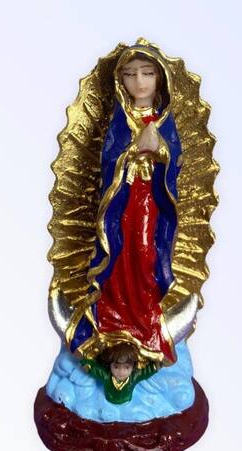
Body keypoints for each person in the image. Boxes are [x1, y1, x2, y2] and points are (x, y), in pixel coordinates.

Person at [67, 43, 183, 368]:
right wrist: (132, 150)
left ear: (160, 78)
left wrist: (160, 150)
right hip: (121, 205)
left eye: (147, 74)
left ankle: (144, 326)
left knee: (145, 254)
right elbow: (108, 160)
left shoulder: (163, 121)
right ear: (121, 81)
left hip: (150, 204)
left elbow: (176, 161)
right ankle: (110, 322)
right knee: (117, 257)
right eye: (131, 75)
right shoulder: (121, 119)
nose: (140, 82)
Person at [81, 344, 158, 405]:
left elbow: (146, 371)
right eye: (116, 367)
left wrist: (157, 365)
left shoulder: (134, 377)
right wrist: (85, 363)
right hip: (108, 402)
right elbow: (95, 370)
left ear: (133, 366)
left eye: (127, 367)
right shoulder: (106, 376)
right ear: (109, 365)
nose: (121, 372)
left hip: (128, 403)